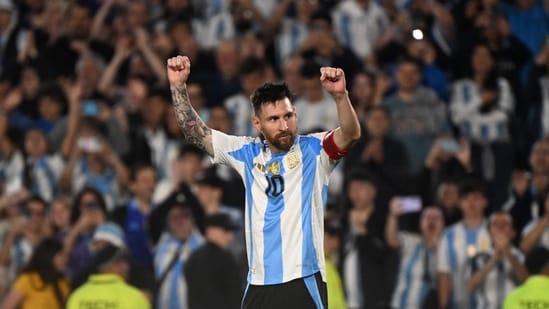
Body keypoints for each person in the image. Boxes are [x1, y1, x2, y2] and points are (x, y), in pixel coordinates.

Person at [166, 55, 360, 308]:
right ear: (257, 123)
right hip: (258, 284)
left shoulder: (315, 150)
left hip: (302, 278)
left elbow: (351, 134)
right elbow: (195, 133)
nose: (284, 125)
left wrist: (340, 96)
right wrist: (178, 86)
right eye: (273, 119)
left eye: (288, 116)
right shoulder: (245, 153)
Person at [385, 203, 445, 309]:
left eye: (436, 218)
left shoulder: (446, 249)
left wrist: (436, 248)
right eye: (427, 217)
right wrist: (393, 216)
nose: (431, 221)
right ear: (420, 223)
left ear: (443, 224)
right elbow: (392, 240)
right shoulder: (412, 241)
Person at [466, 212, 528, 309]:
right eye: (495, 224)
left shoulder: (522, 256)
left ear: (513, 232)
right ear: (489, 232)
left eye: (505, 224)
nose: (500, 227)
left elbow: (526, 282)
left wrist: (508, 253)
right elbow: (470, 287)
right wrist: (494, 259)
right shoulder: (479, 257)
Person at [184, 213, 243, 309]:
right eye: (226, 231)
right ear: (210, 231)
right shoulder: (225, 258)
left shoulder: (193, 257)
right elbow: (234, 296)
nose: (231, 237)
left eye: (232, 232)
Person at [66, 244, 150, 309]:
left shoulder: (77, 296)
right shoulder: (134, 297)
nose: (126, 267)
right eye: (121, 262)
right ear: (111, 266)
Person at [2, 238, 70, 309]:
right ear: (48, 256)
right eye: (61, 255)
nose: (65, 259)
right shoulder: (28, 279)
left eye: (66, 256)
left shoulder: (63, 282)